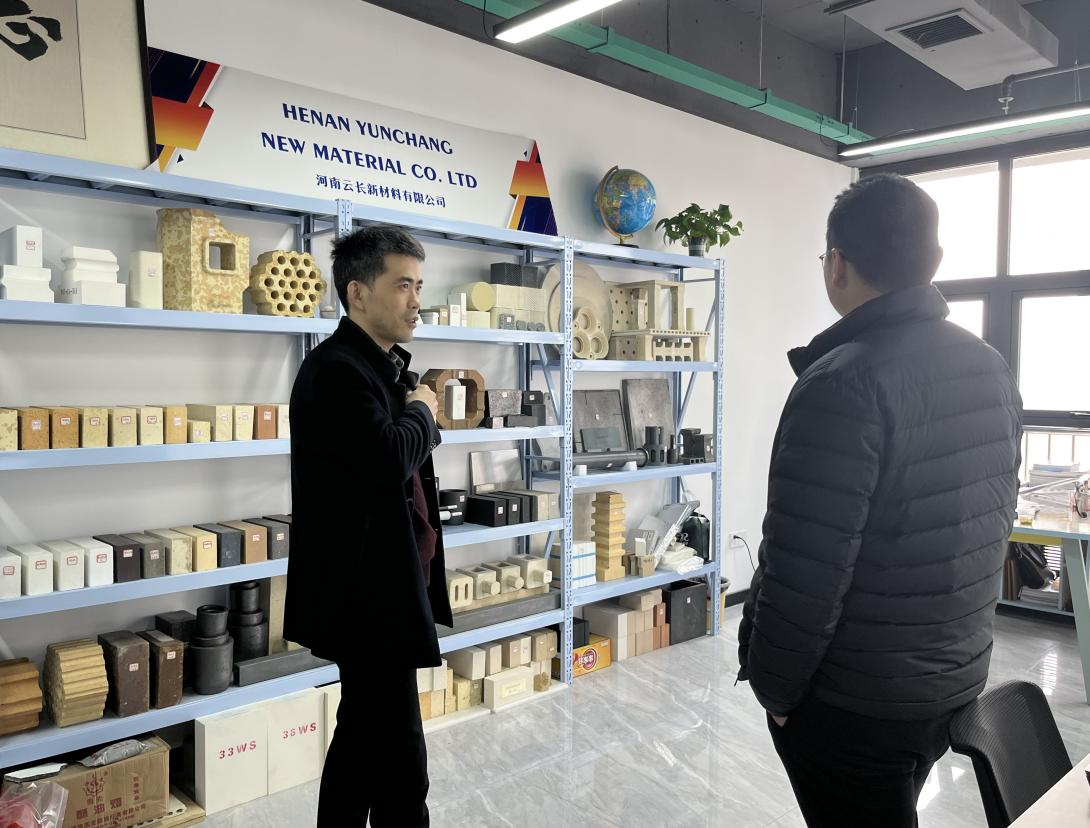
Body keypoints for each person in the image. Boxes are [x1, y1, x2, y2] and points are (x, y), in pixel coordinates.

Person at [737, 173, 1023, 827]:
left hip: (856, 700)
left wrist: (775, 689)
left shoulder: (841, 382)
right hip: (951, 675)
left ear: (836, 265)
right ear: (935, 260)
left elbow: (806, 569)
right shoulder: (988, 365)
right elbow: (992, 518)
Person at [284, 225, 451, 827]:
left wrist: (416, 410)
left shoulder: (376, 366)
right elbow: (388, 458)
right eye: (403, 285)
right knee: (400, 758)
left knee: (361, 738)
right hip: (365, 596)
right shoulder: (337, 370)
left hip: (381, 584)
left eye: (419, 286)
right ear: (357, 292)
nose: (416, 301)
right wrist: (424, 411)